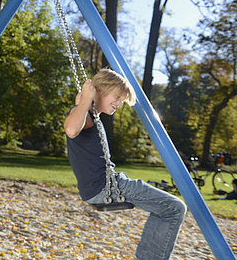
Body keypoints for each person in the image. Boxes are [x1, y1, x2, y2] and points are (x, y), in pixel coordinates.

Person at [64, 68, 187, 260]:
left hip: (105, 185)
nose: (120, 104)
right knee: (174, 208)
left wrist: (85, 102)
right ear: (102, 90)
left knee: (168, 208)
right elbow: (71, 129)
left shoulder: (90, 115)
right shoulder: (85, 115)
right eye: (118, 97)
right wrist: (86, 99)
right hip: (105, 187)